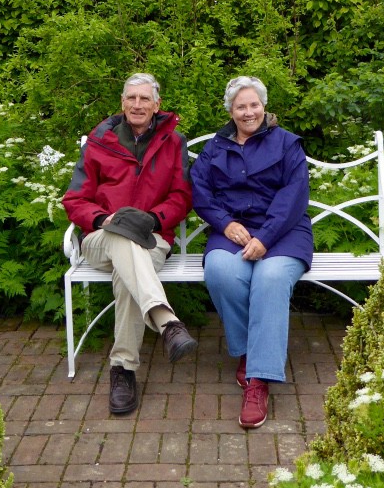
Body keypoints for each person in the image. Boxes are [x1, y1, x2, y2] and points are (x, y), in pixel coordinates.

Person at [62, 73, 198, 415]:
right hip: (100, 239)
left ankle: (122, 369)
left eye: (144, 99)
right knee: (121, 237)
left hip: (151, 238)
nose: (137, 105)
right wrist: (103, 219)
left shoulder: (172, 142)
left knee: (127, 275)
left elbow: (182, 197)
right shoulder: (99, 140)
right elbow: (75, 199)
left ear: (157, 105)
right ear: (122, 103)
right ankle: (167, 322)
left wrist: (152, 219)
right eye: (131, 98)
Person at [190, 76, 313, 429]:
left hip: (284, 231)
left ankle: (258, 380)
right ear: (230, 110)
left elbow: (294, 196)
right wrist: (225, 223)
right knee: (221, 271)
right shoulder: (216, 147)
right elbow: (200, 191)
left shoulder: (287, 144)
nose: (249, 112)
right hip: (234, 231)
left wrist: (267, 236)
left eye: (254, 104)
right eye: (241, 106)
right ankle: (246, 350)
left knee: (270, 278)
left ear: (264, 106)